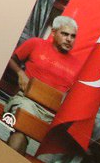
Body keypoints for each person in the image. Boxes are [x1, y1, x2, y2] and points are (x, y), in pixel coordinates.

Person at [5, 16, 80, 153]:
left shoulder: (78, 65)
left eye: (73, 36)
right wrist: (20, 73)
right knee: (22, 131)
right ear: (53, 32)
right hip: (28, 102)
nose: (69, 39)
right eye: (64, 34)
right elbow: (10, 60)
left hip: (54, 115)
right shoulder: (35, 44)